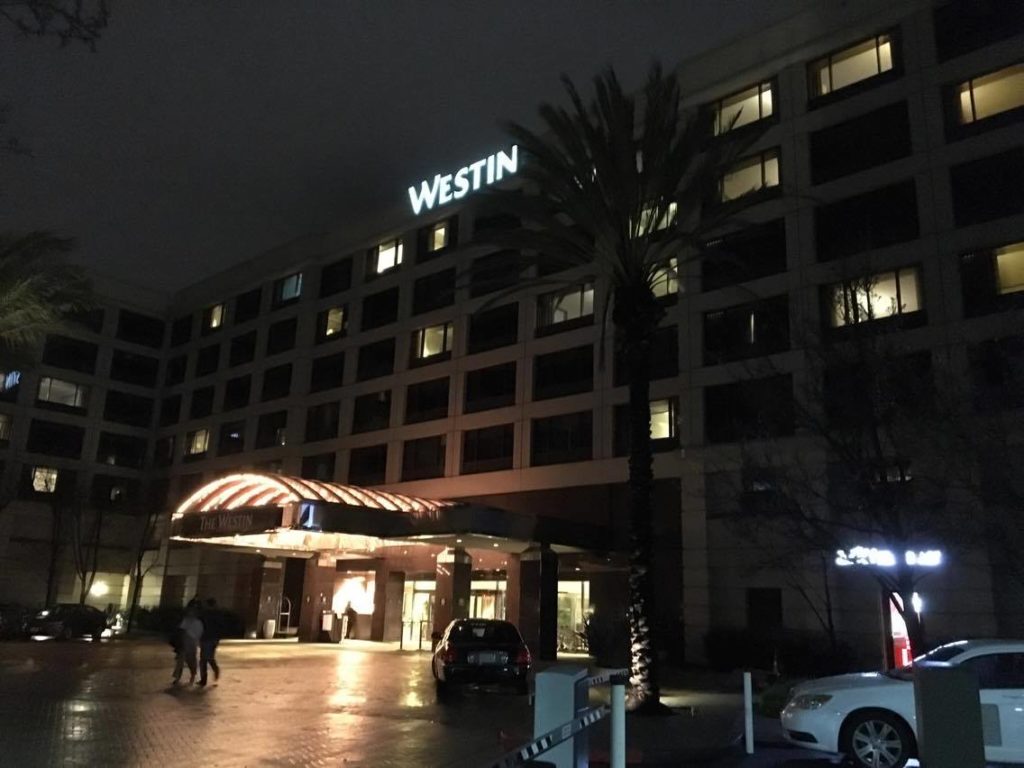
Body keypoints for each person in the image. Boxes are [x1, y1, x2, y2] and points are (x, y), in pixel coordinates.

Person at [172, 605, 203, 685]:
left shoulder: (198, 623)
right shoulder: (186, 621)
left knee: (190, 660)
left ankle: (192, 674)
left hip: (191, 643)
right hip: (185, 643)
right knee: (180, 661)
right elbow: (181, 630)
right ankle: (177, 677)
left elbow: (198, 634)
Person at [198, 598, 222, 687]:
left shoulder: (206, 614)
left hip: (208, 638)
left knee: (205, 658)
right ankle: (205, 678)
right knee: (206, 658)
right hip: (211, 638)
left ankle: (205, 678)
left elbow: (202, 626)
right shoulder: (217, 614)